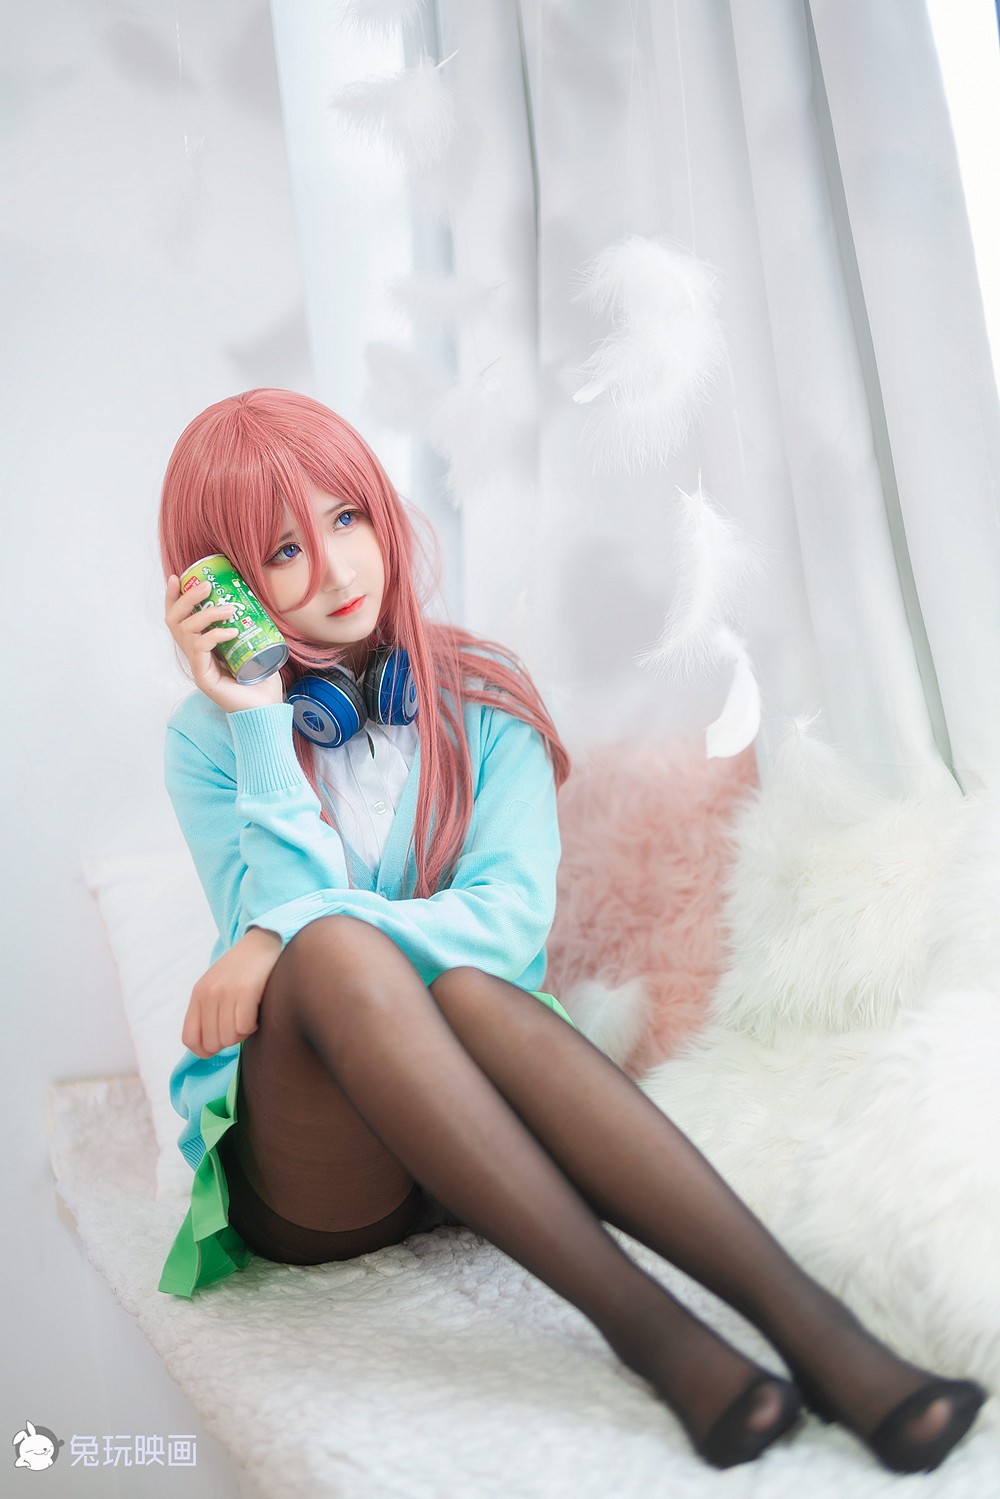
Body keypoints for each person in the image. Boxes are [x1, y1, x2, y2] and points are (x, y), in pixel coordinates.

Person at [155, 388, 985, 1472]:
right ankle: (656, 1337)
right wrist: (261, 723)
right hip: (322, 1179)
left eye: (346, 517)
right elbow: (287, 953)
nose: (337, 568)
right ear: (220, 585)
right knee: (334, 954)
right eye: (282, 551)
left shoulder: (480, 693)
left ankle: (822, 1335)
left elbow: (507, 927)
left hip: (467, 1143)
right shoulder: (211, 741)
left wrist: (280, 930)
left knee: (455, 981)